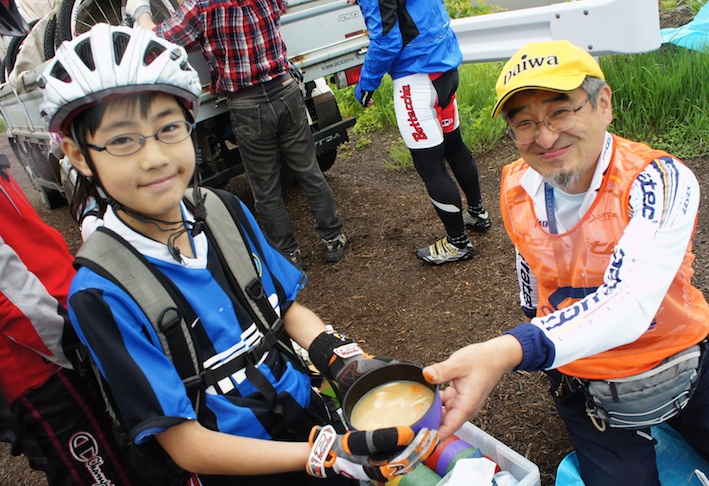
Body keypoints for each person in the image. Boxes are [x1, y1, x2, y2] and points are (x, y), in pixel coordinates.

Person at [40, 24, 437, 485]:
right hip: (237, 465)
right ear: (80, 155)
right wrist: (325, 455)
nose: (154, 158)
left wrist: (340, 359)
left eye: (168, 129)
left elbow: (283, 309)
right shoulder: (102, 293)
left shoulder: (223, 211)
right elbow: (185, 444)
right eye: (123, 140)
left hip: (309, 417)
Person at [422, 40, 709, 484]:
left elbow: (630, 301)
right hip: (586, 382)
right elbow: (528, 260)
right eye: (524, 123)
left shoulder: (658, 180)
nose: (544, 137)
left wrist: (510, 349)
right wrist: (532, 316)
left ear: (603, 104)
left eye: (560, 111)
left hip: (682, 360)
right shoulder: (516, 184)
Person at [125, 0, 347, 271]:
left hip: (246, 103)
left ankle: (288, 255)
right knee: (309, 171)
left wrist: (141, 14)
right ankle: (333, 238)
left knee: (265, 189)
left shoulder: (201, 5)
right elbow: (282, 7)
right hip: (285, 89)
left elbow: (161, 40)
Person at [0, 144, 150, 486]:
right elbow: (11, 298)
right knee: (101, 471)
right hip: (42, 362)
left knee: (128, 450)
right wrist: (73, 345)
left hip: (61, 328)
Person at [348, 0, 490, 265]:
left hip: (415, 79)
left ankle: (458, 243)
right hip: (443, 64)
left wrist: (367, 84)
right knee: (454, 145)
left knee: (431, 166)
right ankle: (477, 213)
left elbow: (386, 40)